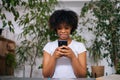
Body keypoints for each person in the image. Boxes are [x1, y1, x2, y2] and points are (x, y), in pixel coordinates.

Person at [42, 9, 87, 78]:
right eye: (59, 28)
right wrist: (54, 57)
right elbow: (46, 75)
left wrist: (73, 57)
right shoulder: (49, 46)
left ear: (71, 28)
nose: (63, 31)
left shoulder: (80, 46)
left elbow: (82, 75)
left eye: (66, 28)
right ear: (55, 28)